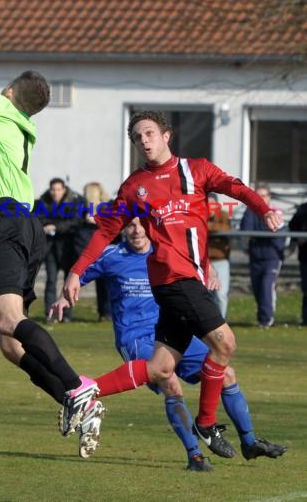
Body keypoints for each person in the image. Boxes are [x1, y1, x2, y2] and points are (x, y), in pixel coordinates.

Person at [61, 110, 283, 448]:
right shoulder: (135, 186)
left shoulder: (197, 170)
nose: (143, 141)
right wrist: (77, 271)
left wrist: (262, 208)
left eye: (149, 133)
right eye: (137, 137)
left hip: (183, 282)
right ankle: (206, 424)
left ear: (167, 135)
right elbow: (106, 230)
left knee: (160, 367)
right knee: (225, 345)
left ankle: (85, 389)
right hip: (173, 280)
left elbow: (234, 187)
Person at [0, 0, 101, 435]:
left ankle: (77, 386)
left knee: (10, 322)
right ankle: (75, 399)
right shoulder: (12, 121)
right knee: (10, 343)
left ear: (10, 93)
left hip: (3, 221)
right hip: (24, 225)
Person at [51, 218, 286, 469]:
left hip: (172, 331)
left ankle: (250, 442)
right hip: (135, 338)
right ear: (123, 229)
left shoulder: (165, 251)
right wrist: (64, 298)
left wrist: (211, 271)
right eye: (130, 225)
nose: (137, 230)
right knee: (169, 381)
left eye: (142, 225)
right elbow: (78, 275)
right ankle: (195, 455)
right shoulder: (112, 255)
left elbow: (196, 256)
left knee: (226, 374)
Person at [36, 178, 82, 322]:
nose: (55, 193)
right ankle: (50, 314)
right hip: (50, 248)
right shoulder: (43, 202)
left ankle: (66, 314)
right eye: (53, 190)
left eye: (58, 190)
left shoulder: (73, 202)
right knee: (51, 281)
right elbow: (38, 219)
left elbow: (75, 222)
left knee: (68, 283)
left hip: (69, 248)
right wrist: (49, 226)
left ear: (64, 189)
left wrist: (55, 227)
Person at [240, 183, 286, 328]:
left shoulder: (276, 212)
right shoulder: (250, 212)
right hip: (255, 257)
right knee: (258, 289)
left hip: (272, 258)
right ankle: (263, 318)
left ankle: (266, 320)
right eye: (258, 196)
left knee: (266, 286)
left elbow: (276, 233)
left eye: (264, 196)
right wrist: (251, 209)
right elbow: (246, 230)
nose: (261, 199)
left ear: (269, 197)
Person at [74, 182, 112, 321]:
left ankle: (107, 312)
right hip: (89, 248)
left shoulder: (107, 208)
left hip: (103, 250)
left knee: (105, 284)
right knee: (100, 284)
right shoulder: (83, 209)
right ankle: (102, 312)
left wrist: (95, 220)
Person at [207, 192, 231, 319]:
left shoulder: (223, 215)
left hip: (220, 260)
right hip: (203, 261)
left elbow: (225, 228)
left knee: (221, 294)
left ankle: (221, 322)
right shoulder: (198, 215)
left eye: (212, 204)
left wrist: (209, 225)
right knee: (205, 294)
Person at [288, 201, 307, 326]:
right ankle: (306, 318)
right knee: (306, 288)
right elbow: (293, 225)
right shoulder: (303, 209)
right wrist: (297, 240)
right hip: (305, 256)